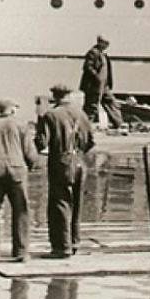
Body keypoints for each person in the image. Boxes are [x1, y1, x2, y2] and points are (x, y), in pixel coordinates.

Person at [35, 83, 95, 258]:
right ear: (69, 95)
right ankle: (74, 242)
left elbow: (41, 143)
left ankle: (61, 247)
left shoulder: (50, 115)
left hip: (61, 163)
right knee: (76, 204)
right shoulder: (81, 114)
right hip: (80, 163)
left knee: (60, 203)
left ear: (54, 96)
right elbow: (90, 142)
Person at [0, 98, 41, 264]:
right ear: (12, 110)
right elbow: (30, 153)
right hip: (16, 171)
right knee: (21, 211)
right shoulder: (21, 126)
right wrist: (34, 165)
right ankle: (21, 252)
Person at [79, 36, 121, 129]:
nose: (107, 46)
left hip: (104, 85)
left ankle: (118, 123)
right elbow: (87, 67)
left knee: (111, 102)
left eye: (108, 44)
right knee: (91, 106)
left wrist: (107, 83)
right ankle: (85, 126)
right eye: (105, 43)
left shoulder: (104, 54)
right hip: (93, 86)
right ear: (100, 42)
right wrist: (96, 77)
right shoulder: (93, 52)